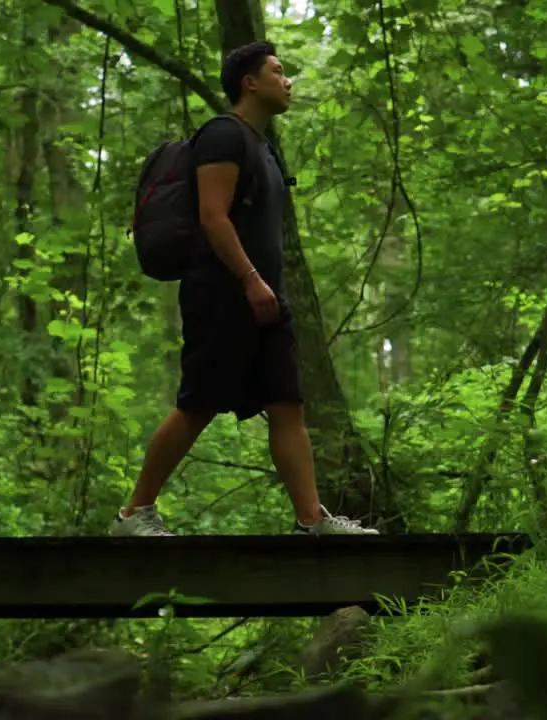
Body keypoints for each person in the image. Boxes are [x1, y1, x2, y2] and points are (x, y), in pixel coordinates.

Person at [109, 41, 378, 538]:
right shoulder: (223, 136)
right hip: (223, 293)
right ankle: (133, 515)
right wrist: (250, 280)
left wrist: (267, 289)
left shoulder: (264, 147)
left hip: (265, 299)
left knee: (286, 403)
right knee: (198, 404)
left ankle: (311, 520)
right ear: (249, 82)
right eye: (277, 71)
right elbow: (213, 217)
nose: (288, 80)